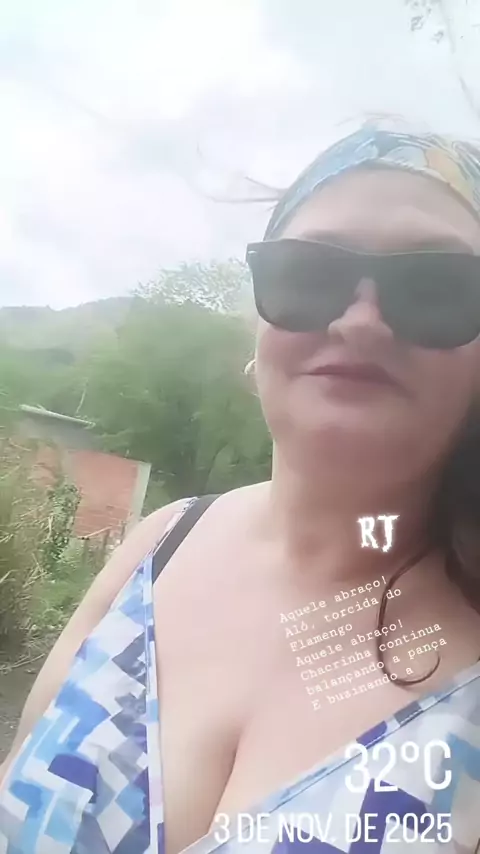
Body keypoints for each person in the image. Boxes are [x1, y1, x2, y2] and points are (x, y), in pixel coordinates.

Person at [1, 122, 480, 853]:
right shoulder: (161, 545)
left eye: (436, 287)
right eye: (309, 275)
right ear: (256, 325)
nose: (361, 319)